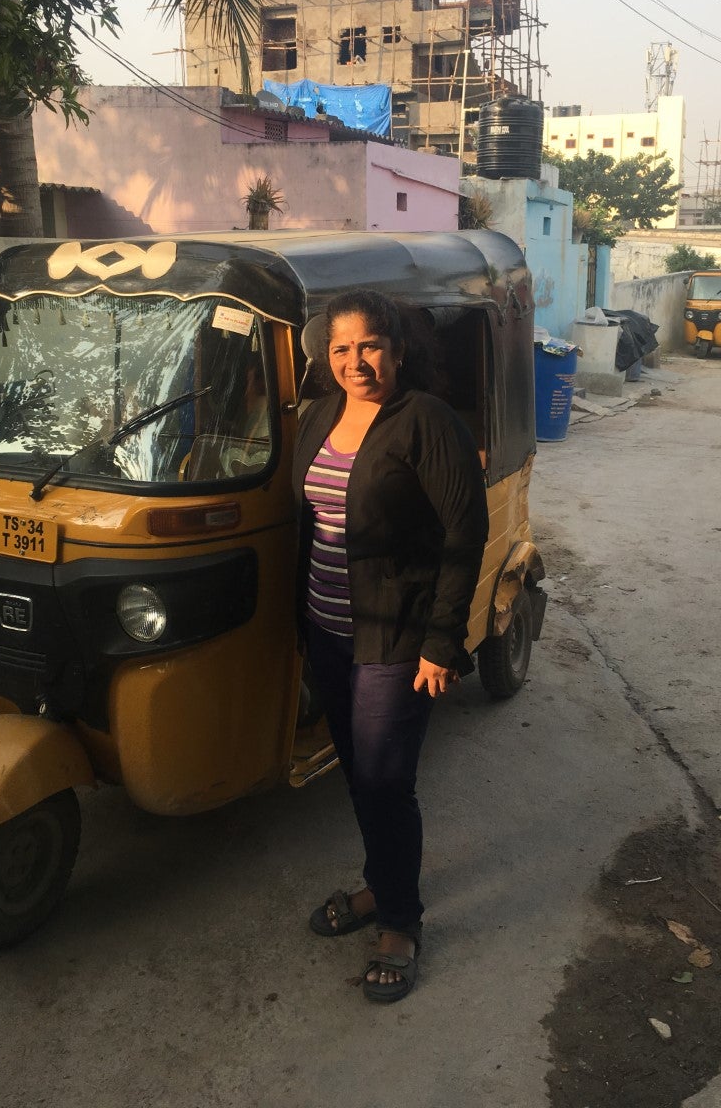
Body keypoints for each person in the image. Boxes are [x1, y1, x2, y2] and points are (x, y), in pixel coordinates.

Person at [292, 289, 489, 1004]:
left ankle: (401, 922)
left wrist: (443, 641)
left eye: (370, 345)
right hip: (327, 629)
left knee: (385, 782)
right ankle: (382, 886)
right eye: (341, 349)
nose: (355, 361)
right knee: (355, 774)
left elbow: (465, 535)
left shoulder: (425, 422)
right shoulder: (319, 416)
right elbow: (309, 522)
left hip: (397, 637)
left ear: (398, 350)